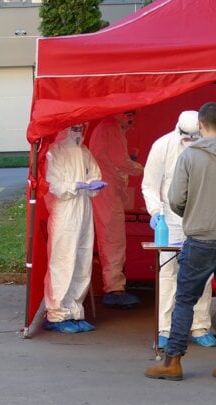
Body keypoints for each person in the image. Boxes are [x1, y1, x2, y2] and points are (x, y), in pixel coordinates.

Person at [145, 102, 216, 383]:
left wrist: (194, 211)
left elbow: (174, 200)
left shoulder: (189, 156)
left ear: (200, 125)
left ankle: (172, 361)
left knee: (185, 299)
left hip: (199, 238)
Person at [141, 111, 216, 349]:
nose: (191, 141)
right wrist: (155, 212)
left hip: (202, 218)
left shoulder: (212, 147)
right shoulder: (162, 146)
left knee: (203, 274)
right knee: (168, 273)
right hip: (170, 220)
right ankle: (166, 328)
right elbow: (150, 184)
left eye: (195, 137)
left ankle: (200, 325)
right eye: (187, 138)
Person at [43, 125, 106, 333]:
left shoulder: (84, 152)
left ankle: (74, 311)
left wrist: (92, 185)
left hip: (84, 208)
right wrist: (76, 186)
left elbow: (95, 174)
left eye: (81, 128)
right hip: (65, 211)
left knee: (82, 259)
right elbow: (53, 184)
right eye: (74, 128)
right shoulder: (55, 151)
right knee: (63, 260)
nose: (78, 132)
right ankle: (56, 314)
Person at [89, 111, 143, 308]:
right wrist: (140, 168)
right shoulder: (110, 127)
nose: (132, 119)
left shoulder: (109, 126)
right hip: (107, 189)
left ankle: (114, 286)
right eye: (131, 114)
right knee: (113, 238)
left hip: (108, 188)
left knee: (111, 237)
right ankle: (114, 289)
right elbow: (120, 161)